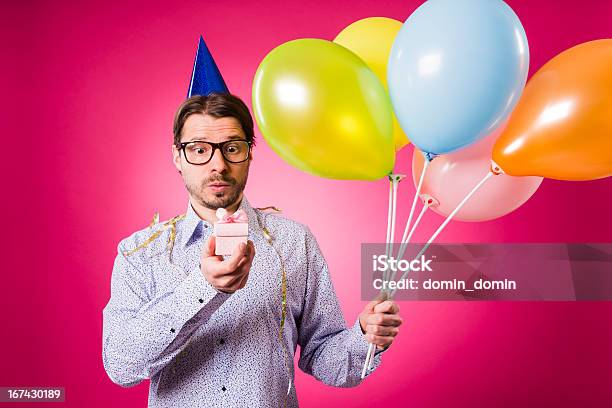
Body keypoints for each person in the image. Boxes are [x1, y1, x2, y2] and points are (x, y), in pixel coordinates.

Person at [102, 92, 403, 407]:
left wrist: (365, 338)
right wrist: (204, 288)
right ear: (178, 157)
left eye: (232, 148)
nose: (218, 165)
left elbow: (325, 358)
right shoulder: (139, 253)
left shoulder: (293, 241)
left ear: (249, 154)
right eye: (199, 149)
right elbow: (122, 367)